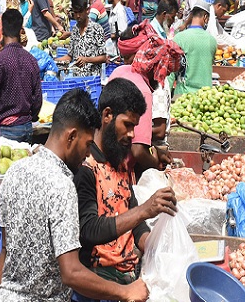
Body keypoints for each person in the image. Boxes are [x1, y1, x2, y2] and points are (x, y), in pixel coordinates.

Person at [0, 89, 149, 302]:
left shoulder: (14, 172)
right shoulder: (62, 185)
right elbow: (71, 272)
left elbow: (5, 252)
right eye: (87, 144)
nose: (88, 153)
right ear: (72, 136)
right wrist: (125, 291)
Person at [72, 79, 177, 300]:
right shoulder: (85, 167)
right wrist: (146, 210)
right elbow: (88, 230)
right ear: (107, 115)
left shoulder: (119, 160)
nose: (131, 134)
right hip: (99, 287)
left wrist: (153, 246)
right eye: (127, 125)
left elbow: (133, 221)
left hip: (129, 281)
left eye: (134, 127)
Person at [115, 22, 183, 177]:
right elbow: (138, 149)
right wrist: (156, 163)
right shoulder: (143, 89)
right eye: (123, 58)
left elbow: (155, 132)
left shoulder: (123, 74)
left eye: (127, 58)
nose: (126, 63)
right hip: (132, 163)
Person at [0, 10, 42, 143]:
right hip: (27, 126)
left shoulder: (0, 59)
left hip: (7, 129)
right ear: (21, 30)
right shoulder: (31, 59)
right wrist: (32, 117)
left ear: (1, 29)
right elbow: (37, 99)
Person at [59, 0, 107, 77]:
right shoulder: (74, 30)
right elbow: (70, 56)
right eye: (75, 12)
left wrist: (86, 60)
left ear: (87, 10)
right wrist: (55, 61)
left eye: (80, 12)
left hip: (92, 80)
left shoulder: (96, 29)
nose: (78, 16)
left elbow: (103, 57)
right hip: (77, 78)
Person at [173, 4, 216, 95]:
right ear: (205, 17)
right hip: (206, 96)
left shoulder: (179, 38)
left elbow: (171, 71)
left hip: (183, 95)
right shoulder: (212, 41)